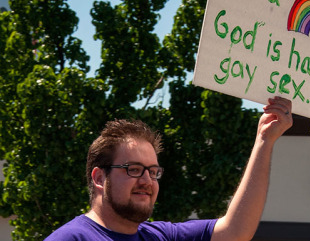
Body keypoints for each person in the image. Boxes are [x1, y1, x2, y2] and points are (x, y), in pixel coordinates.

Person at [44, 96, 293, 241]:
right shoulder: (71, 239)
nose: (147, 181)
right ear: (100, 177)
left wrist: (265, 140)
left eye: (153, 172)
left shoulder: (159, 236)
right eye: (133, 169)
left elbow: (235, 232)